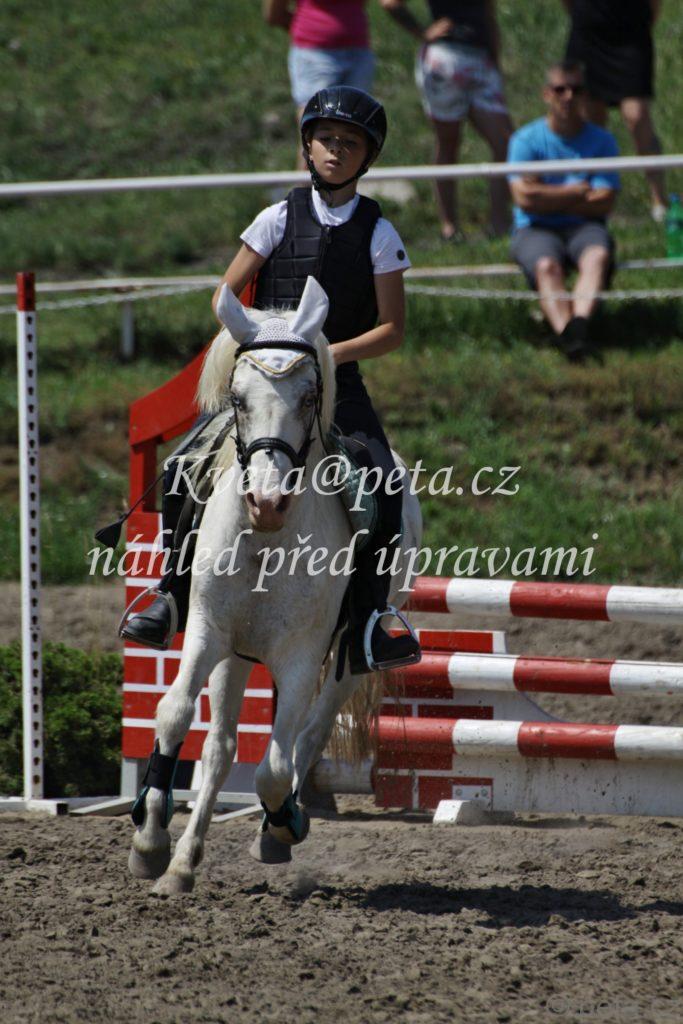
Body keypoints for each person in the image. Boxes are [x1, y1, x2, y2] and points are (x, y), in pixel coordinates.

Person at [123, 86, 420, 676]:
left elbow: (392, 330)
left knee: (384, 484)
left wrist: (324, 355)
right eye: (326, 139)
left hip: (334, 386)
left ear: (368, 156)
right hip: (265, 384)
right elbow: (224, 294)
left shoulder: (380, 234)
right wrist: (263, 344)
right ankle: (170, 594)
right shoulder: (276, 217)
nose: (336, 150)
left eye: (350, 142)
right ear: (308, 146)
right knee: (181, 468)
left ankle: (370, 620)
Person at [507, 61, 620, 360]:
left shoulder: (602, 140)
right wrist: (577, 191)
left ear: (585, 95)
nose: (568, 96)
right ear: (547, 94)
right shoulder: (525, 140)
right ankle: (571, 338)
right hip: (534, 228)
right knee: (547, 266)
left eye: (576, 89)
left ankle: (577, 329)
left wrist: (544, 193)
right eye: (560, 89)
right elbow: (524, 199)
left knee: (597, 255)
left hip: (586, 226)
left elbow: (605, 200)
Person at [380, 0, 513, 239]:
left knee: (505, 141)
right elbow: (390, 3)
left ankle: (499, 223)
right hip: (445, 57)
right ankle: (449, 226)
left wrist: (495, 58)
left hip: (481, 57)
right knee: (449, 141)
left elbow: (489, 14)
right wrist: (422, 32)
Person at [561, 0, 667, 221]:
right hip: (589, 33)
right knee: (592, 119)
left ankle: (660, 200)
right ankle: (594, 197)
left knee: (636, 116)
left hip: (631, 32)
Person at [264, 0, 375, 169]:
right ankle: (306, 185)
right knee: (314, 131)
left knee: (355, 130)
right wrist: (313, 30)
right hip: (314, 54)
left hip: (359, 51)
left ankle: (345, 185)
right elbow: (274, 14)